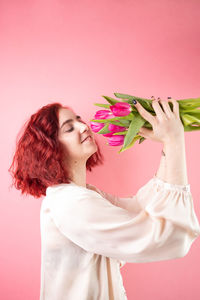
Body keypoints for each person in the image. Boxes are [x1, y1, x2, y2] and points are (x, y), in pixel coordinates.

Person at [8, 98, 200, 300]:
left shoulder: (82, 196)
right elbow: (164, 237)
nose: (84, 126)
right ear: (50, 149)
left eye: (79, 120)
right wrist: (174, 141)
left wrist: (169, 144)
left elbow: (139, 209)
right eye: (69, 128)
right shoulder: (70, 204)